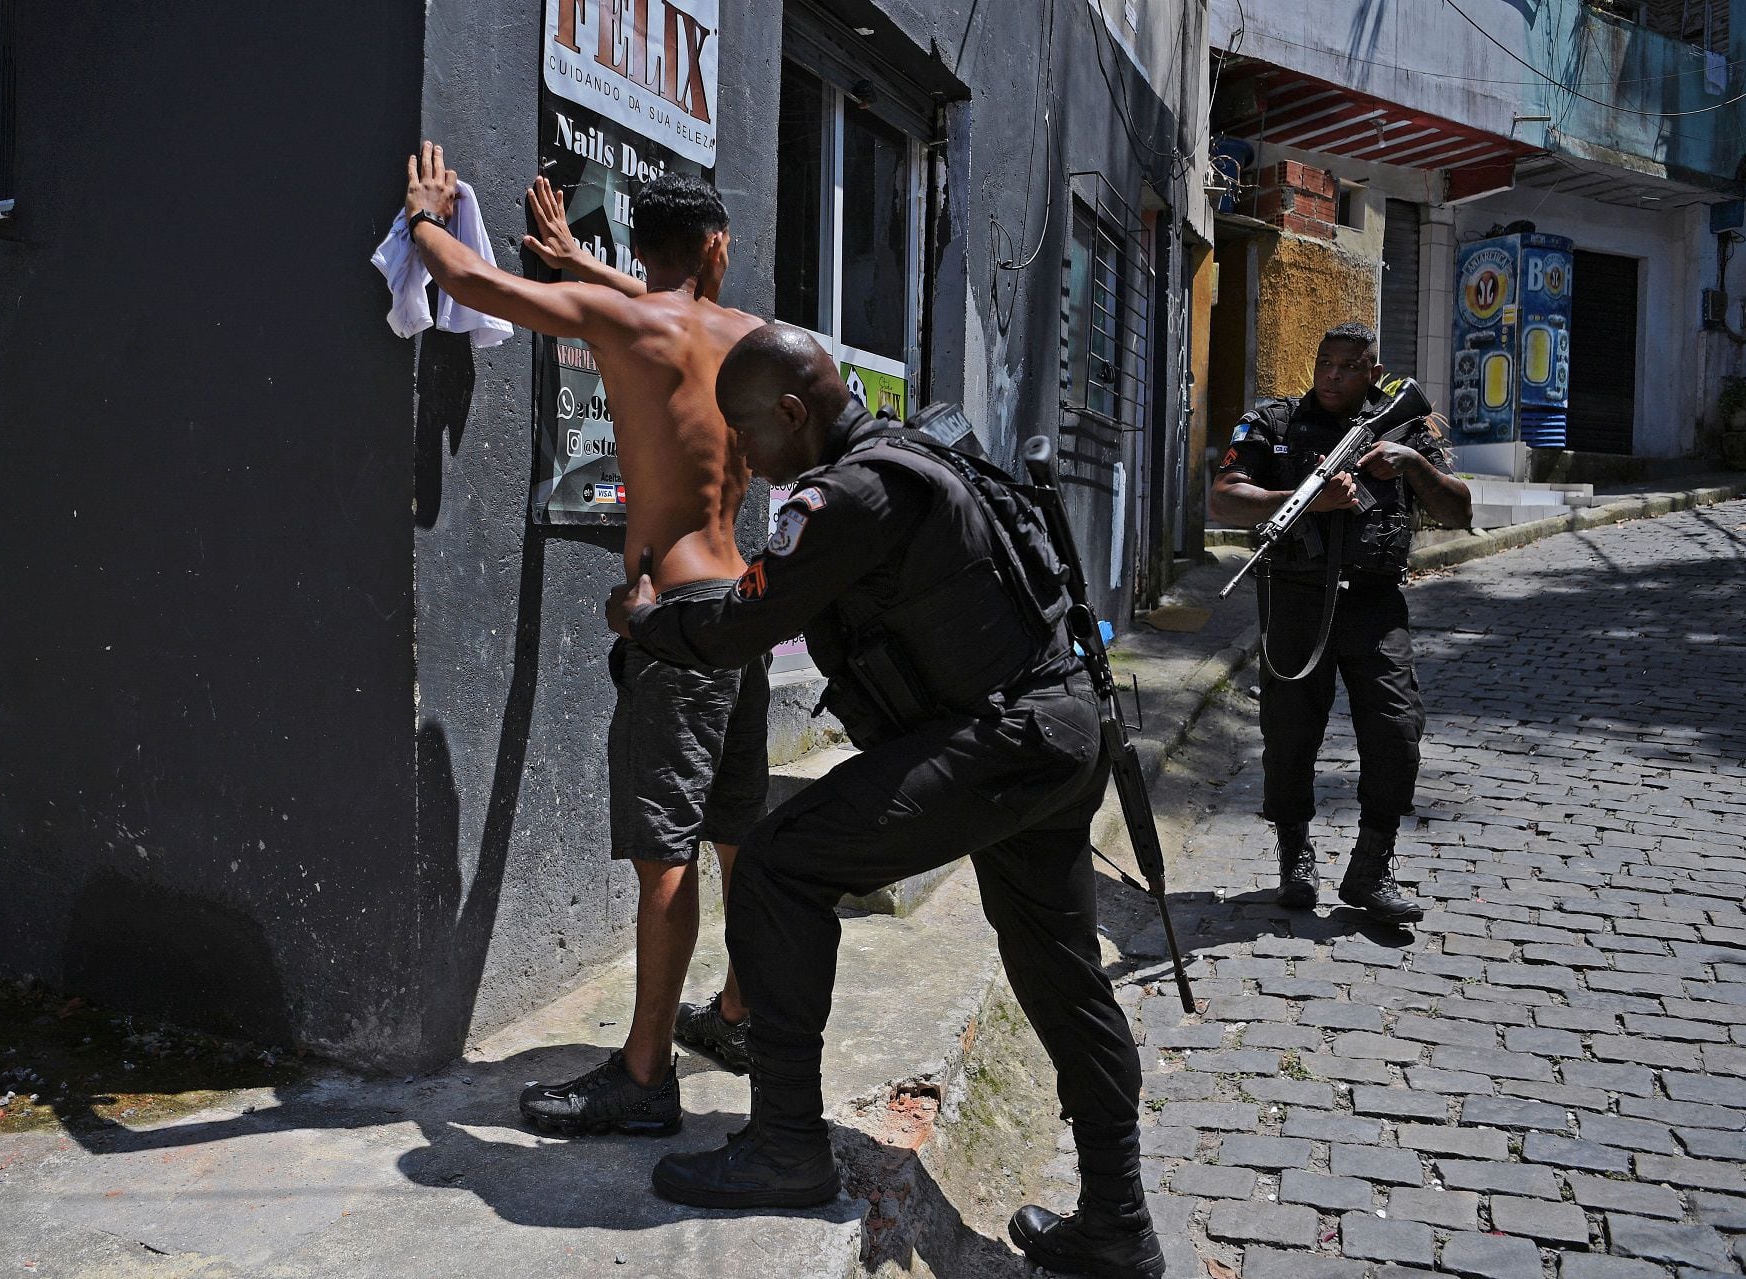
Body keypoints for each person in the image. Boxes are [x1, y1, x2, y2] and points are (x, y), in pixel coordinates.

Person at [606, 323, 1163, 1279]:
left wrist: (651, 627)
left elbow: (746, 622)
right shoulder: (913, 447)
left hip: (1006, 742)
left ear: (793, 413)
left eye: (747, 432)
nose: (742, 454)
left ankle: (785, 1143)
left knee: (780, 865)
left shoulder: (849, 494)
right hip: (1051, 731)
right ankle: (1120, 1222)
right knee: (1061, 974)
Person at [404, 142, 765, 1133]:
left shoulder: (627, 320)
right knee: (739, 831)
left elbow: (470, 279)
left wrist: (428, 212)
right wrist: (575, 258)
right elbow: (666, 306)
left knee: (667, 856)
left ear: (643, 249)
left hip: (676, 622)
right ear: (717, 249)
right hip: (745, 604)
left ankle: (645, 1079)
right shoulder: (750, 335)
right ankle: (741, 1013)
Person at [1208, 321, 1471, 925]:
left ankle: (1372, 866)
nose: (1332, 375)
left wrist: (1410, 465)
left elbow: (1459, 511)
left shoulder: (1402, 427)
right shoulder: (1273, 422)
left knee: (1396, 727)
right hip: (1295, 598)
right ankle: (1295, 855)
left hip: (1374, 603)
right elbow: (1223, 499)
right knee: (1291, 730)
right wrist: (1308, 497)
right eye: (1326, 362)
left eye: (1349, 366)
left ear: (1373, 374)